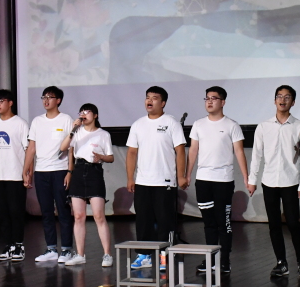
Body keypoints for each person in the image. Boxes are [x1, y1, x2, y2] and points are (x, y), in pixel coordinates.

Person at [186, 86, 251, 274]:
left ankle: (224, 260)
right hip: (203, 180)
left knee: (223, 222)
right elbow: (193, 151)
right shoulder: (198, 124)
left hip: (223, 180)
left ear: (223, 102)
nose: (209, 101)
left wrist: (246, 177)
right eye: (207, 98)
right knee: (209, 223)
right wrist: (187, 174)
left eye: (214, 98)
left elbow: (239, 152)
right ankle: (210, 259)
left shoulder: (231, 125)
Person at [249, 85, 300, 278]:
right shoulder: (263, 126)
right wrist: (252, 180)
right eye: (279, 96)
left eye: (287, 97)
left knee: (293, 223)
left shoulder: (299, 126)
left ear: (293, 102)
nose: (282, 100)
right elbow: (256, 155)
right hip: (269, 181)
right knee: (274, 225)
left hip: (290, 181)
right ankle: (281, 263)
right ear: (274, 100)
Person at [126, 86, 188, 270]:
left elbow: (180, 151)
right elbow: (131, 153)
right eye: (147, 97)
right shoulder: (138, 124)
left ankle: (164, 255)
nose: (149, 101)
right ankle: (144, 255)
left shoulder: (171, 123)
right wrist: (130, 178)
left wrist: (181, 176)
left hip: (165, 181)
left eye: (154, 98)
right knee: (143, 220)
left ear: (163, 103)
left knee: (165, 221)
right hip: (143, 181)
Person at [23, 86, 75, 263]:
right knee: (46, 211)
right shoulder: (37, 121)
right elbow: (31, 148)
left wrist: (70, 171)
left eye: (50, 97)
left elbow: (71, 149)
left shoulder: (66, 119)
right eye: (43, 97)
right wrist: (26, 170)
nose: (46, 100)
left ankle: (67, 249)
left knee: (63, 210)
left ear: (58, 100)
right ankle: (51, 248)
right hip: (41, 171)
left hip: (60, 170)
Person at [59, 103, 114, 267]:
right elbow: (63, 147)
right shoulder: (77, 132)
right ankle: (80, 254)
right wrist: (73, 130)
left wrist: (101, 157)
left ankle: (107, 254)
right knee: (78, 216)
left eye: (87, 112)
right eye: (81, 112)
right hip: (78, 170)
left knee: (98, 215)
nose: (83, 115)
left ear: (95, 115)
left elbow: (111, 157)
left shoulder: (103, 134)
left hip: (94, 172)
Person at [0, 89, 30, 263]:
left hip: (15, 175)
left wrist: (27, 172)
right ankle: (8, 245)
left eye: (1, 101)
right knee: (1, 212)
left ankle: (19, 245)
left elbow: (28, 150)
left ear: (10, 103)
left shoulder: (20, 124)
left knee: (16, 211)